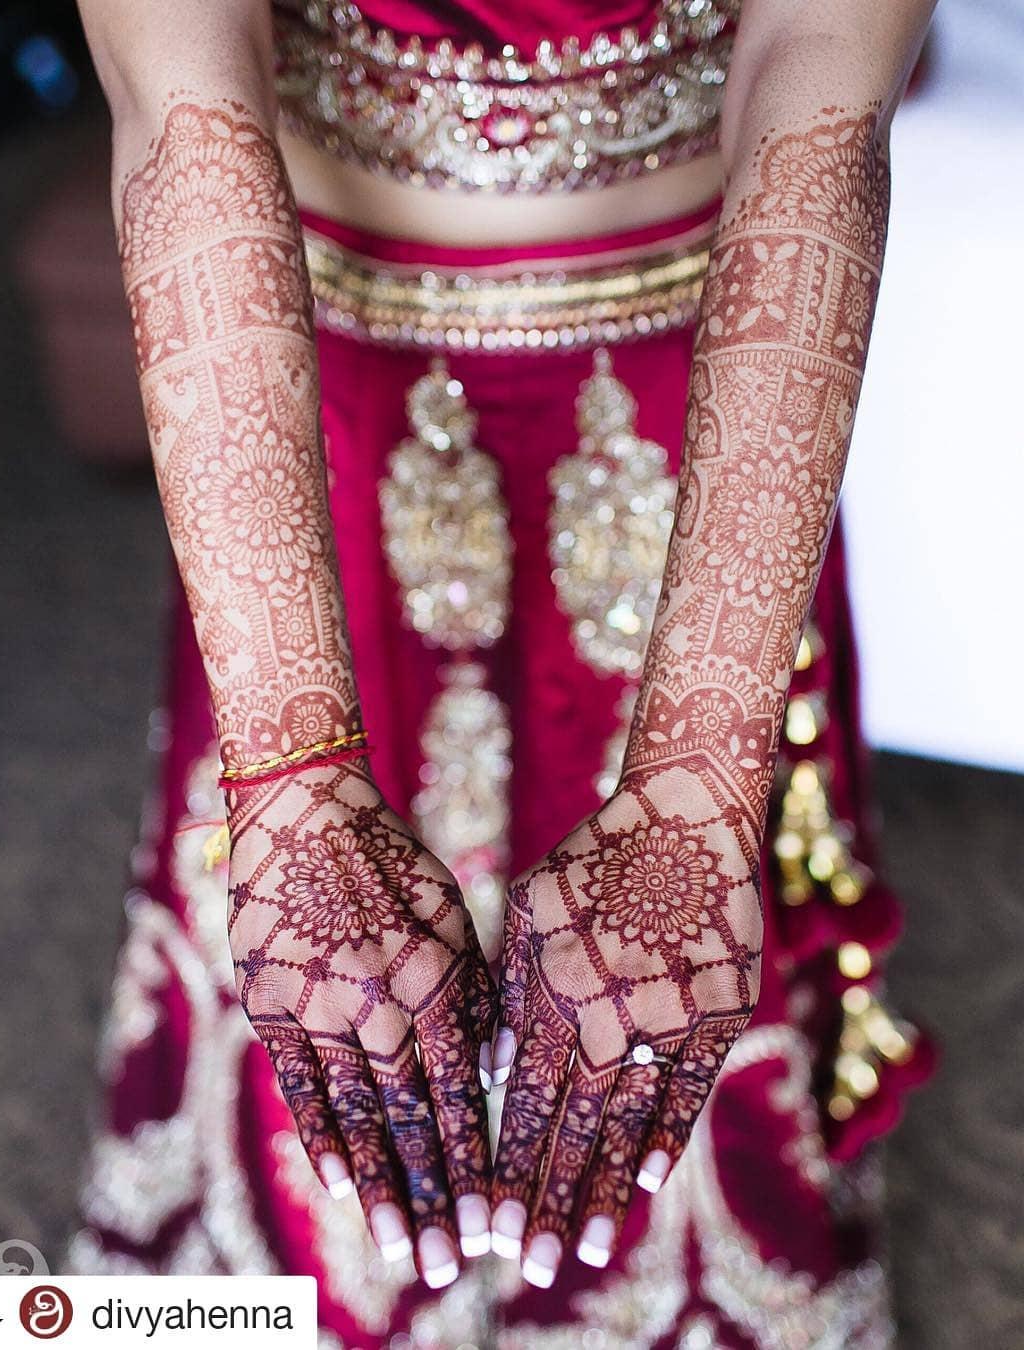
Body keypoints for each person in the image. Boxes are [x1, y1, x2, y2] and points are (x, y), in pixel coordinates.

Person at [66, 0, 936, 1344]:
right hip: (302, 373)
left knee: (661, 989)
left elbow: (823, 69)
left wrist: (703, 770)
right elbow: (181, 98)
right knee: (316, 969)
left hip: (699, 379)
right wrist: (293, 769)